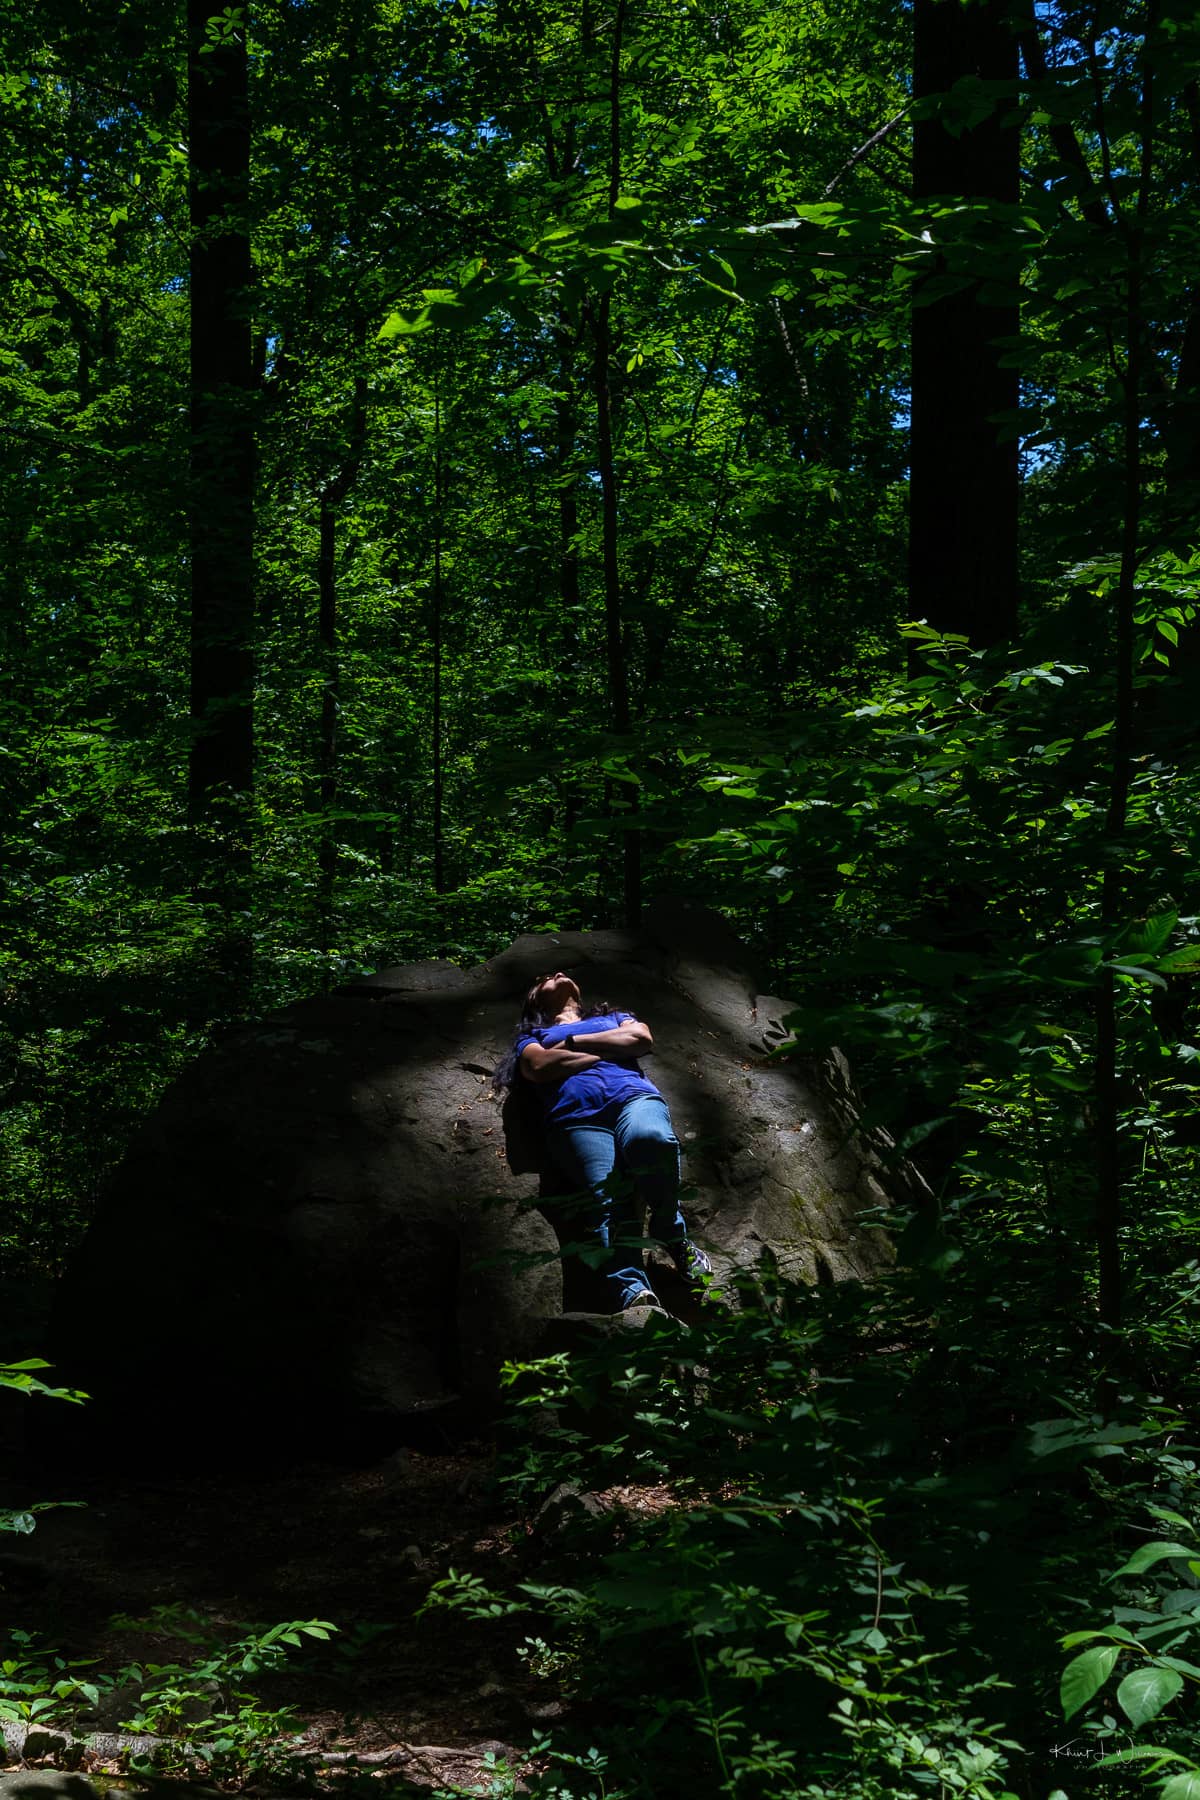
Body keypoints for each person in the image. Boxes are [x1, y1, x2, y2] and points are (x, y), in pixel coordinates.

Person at [494, 970, 712, 1312]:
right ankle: (632, 1288)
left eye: (562, 973)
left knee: (652, 1139)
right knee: (607, 1198)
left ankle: (670, 1229)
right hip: (575, 1119)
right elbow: (538, 1066)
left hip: (632, 1098)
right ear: (534, 997)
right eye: (545, 977)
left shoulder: (612, 1016)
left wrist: (570, 1044)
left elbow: (640, 1039)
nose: (558, 974)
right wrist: (608, 1050)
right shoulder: (533, 1035)